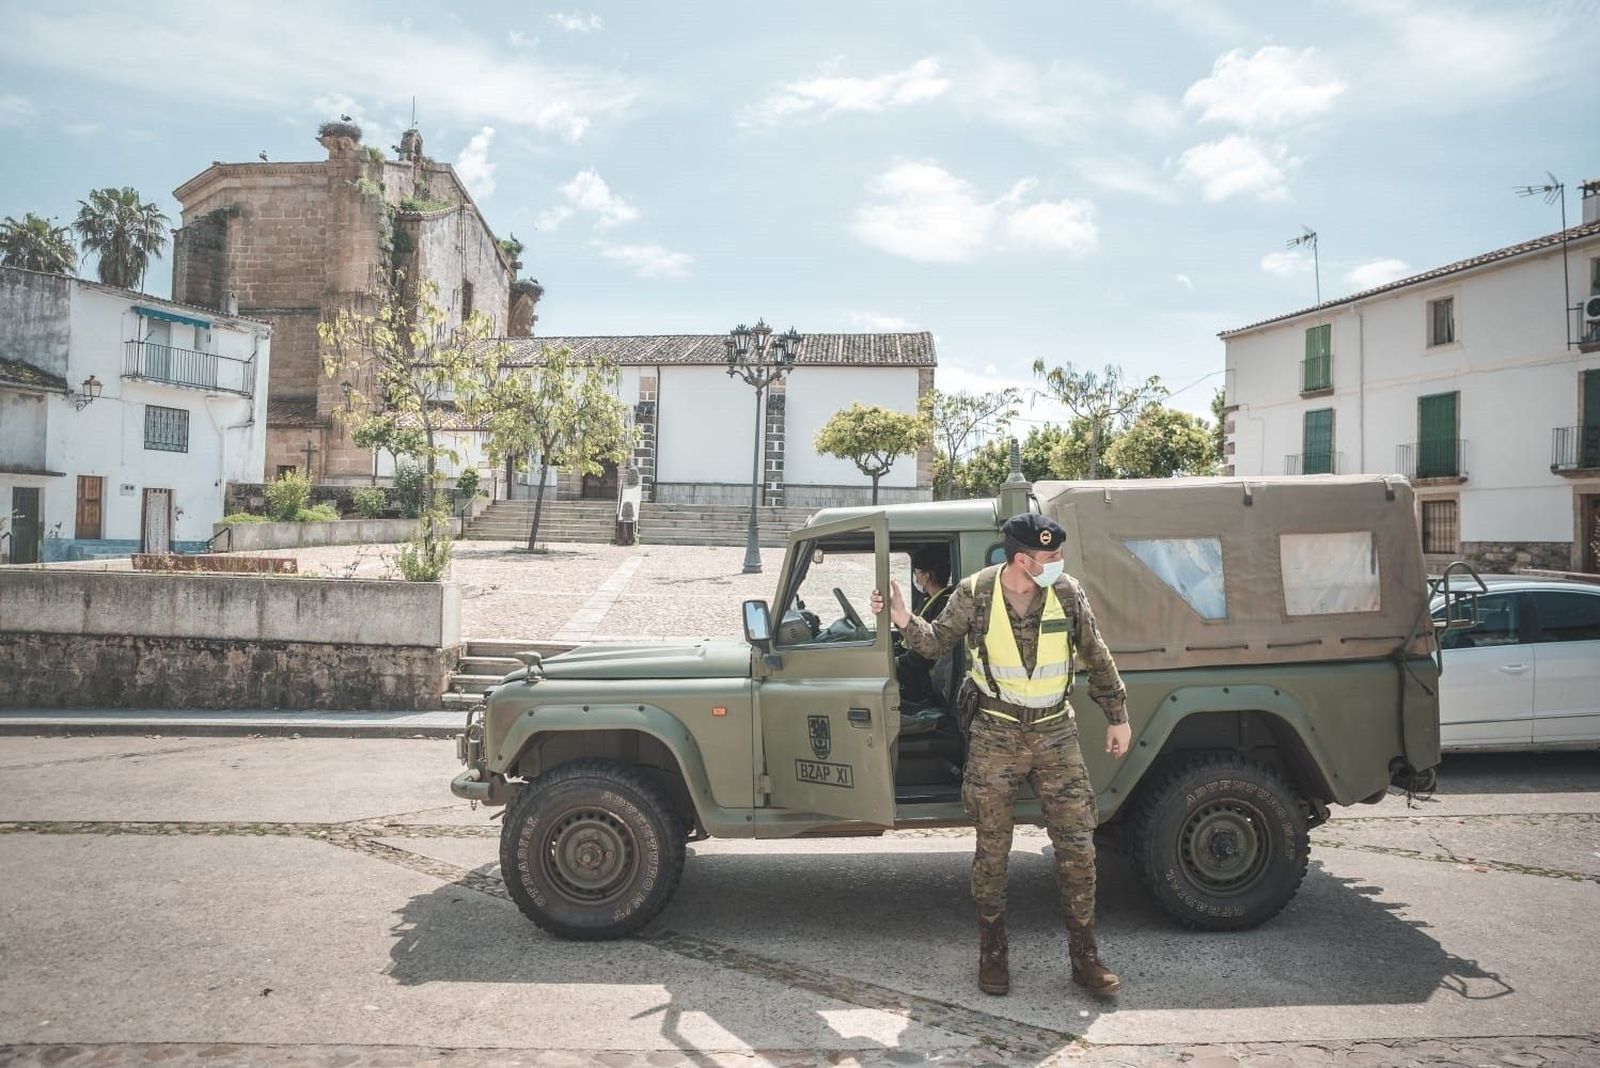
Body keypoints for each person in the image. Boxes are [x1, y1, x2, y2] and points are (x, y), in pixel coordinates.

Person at [871, 513, 1132, 998]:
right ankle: (992, 953)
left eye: (1058, 556)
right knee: (992, 851)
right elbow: (934, 644)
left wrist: (1117, 715)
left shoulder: (1068, 592)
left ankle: (1085, 958)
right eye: (1050, 558)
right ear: (1021, 560)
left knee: (1077, 846)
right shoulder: (975, 593)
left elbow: (1096, 654)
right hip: (996, 732)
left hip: (1056, 732)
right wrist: (903, 618)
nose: (1059, 564)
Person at [895, 546, 954, 705]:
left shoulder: (944, 604)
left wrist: (899, 661)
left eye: (917, 573)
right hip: (916, 663)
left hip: (924, 673)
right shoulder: (929, 599)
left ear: (926, 575)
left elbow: (928, 652)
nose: (916, 577)